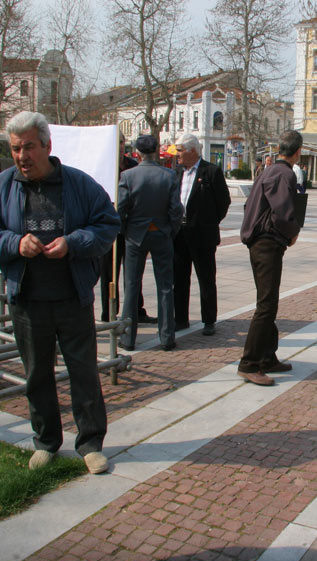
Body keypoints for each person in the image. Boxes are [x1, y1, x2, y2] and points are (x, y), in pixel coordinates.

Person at [0, 111, 120, 474]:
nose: (22, 156)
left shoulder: (79, 185)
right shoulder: (1, 187)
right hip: (27, 300)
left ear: (47, 146)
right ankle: (46, 441)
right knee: (37, 374)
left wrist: (72, 243)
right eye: (15, 149)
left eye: (29, 147)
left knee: (83, 373)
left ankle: (90, 443)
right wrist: (13, 242)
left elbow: (107, 224)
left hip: (72, 298)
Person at [238, 130, 303, 386]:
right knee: (266, 305)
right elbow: (282, 213)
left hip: (260, 242)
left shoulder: (268, 171)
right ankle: (249, 363)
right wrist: (292, 233)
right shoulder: (283, 173)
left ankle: (267, 356)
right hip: (266, 243)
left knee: (268, 301)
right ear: (298, 151)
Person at [117, 135, 183, 352]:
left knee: (132, 286)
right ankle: (167, 336)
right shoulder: (169, 175)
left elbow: (121, 209)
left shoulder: (128, 176)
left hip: (136, 235)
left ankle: (128, 338)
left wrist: (127, 230)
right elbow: (176, 209)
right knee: (165, 286)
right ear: (155, 151)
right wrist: (170, 230)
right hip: (161, 232)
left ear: (137, 152)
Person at [173, 133, 230, 336]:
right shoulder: (177, 172)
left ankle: (209, 320)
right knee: (179, 278)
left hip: (202, 234)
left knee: (206, 278)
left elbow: (223, 202)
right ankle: (180, 318)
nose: (177, 155)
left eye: (180, 151)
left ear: (192, 151)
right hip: (179, 234)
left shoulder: (211, 172)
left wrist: (209, 221)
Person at [100, 134, 155, 324]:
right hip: (109, 228)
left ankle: (135, 310)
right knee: (108, 272)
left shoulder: (133, 166)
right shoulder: (104, 167)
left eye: (122, 142)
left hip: (131, 227)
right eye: (117, 142)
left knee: (133, 273)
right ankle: (108, 313)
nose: (120, 146)